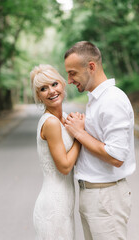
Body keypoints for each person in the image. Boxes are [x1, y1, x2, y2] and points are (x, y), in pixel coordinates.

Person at [64, 41, 136, 240]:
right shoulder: (96, 100)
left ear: (91, 67)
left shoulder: (112, 100)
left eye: (72, 73)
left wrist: (80, 133)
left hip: (106, 198)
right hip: (93, 196)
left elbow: (116, 157)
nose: (69, 80)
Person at [30, 64, 81, 240]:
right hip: (53, 207)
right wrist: (80, 138)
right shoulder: (50, 122)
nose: (51, 91)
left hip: (65, 205)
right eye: (43, 89)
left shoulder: (65, 117)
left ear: (62, 84)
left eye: (54, 84)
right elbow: (65, 166)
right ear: (39, 96)